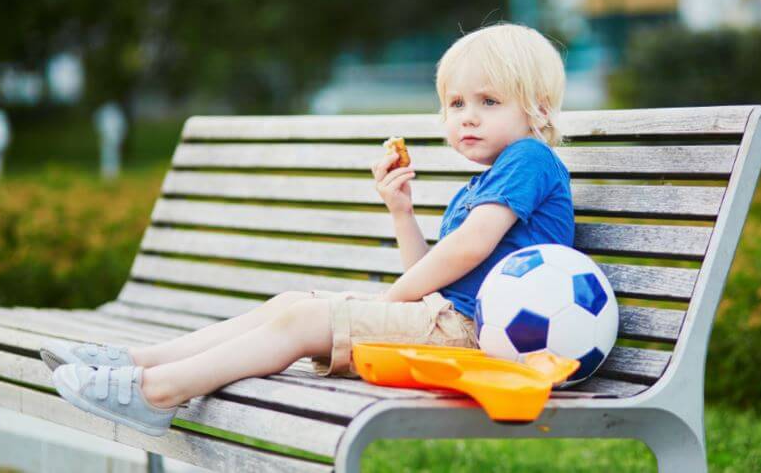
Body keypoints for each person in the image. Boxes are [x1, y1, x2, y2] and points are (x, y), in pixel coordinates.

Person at [41, 22, 575, 436]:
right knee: (289, 305)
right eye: (456, 104)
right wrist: (401, 211)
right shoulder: (481, 186)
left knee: (301, 321)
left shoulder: (529, 157)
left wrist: (397, 298)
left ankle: (157, 393)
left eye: (488, 101)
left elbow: (468, 249)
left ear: (538, 109)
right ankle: (136, 361)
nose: (467, 118)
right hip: (448, 321)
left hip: (474, 336)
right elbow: (432, 275)